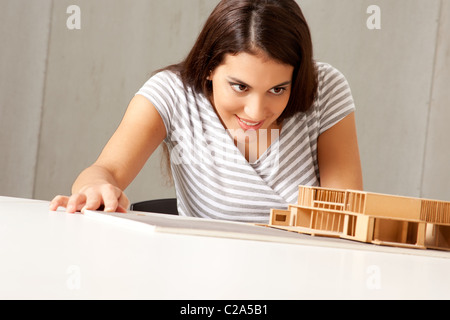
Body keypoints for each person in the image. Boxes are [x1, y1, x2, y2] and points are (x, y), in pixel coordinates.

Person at [50, 0, 363, 223]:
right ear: (209, 68)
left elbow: (341, 217)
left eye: (277, 89)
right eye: (240, 87)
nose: (255, 112)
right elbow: (107, 170)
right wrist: (96, 189)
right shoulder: (172, 93)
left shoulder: (324, 89)